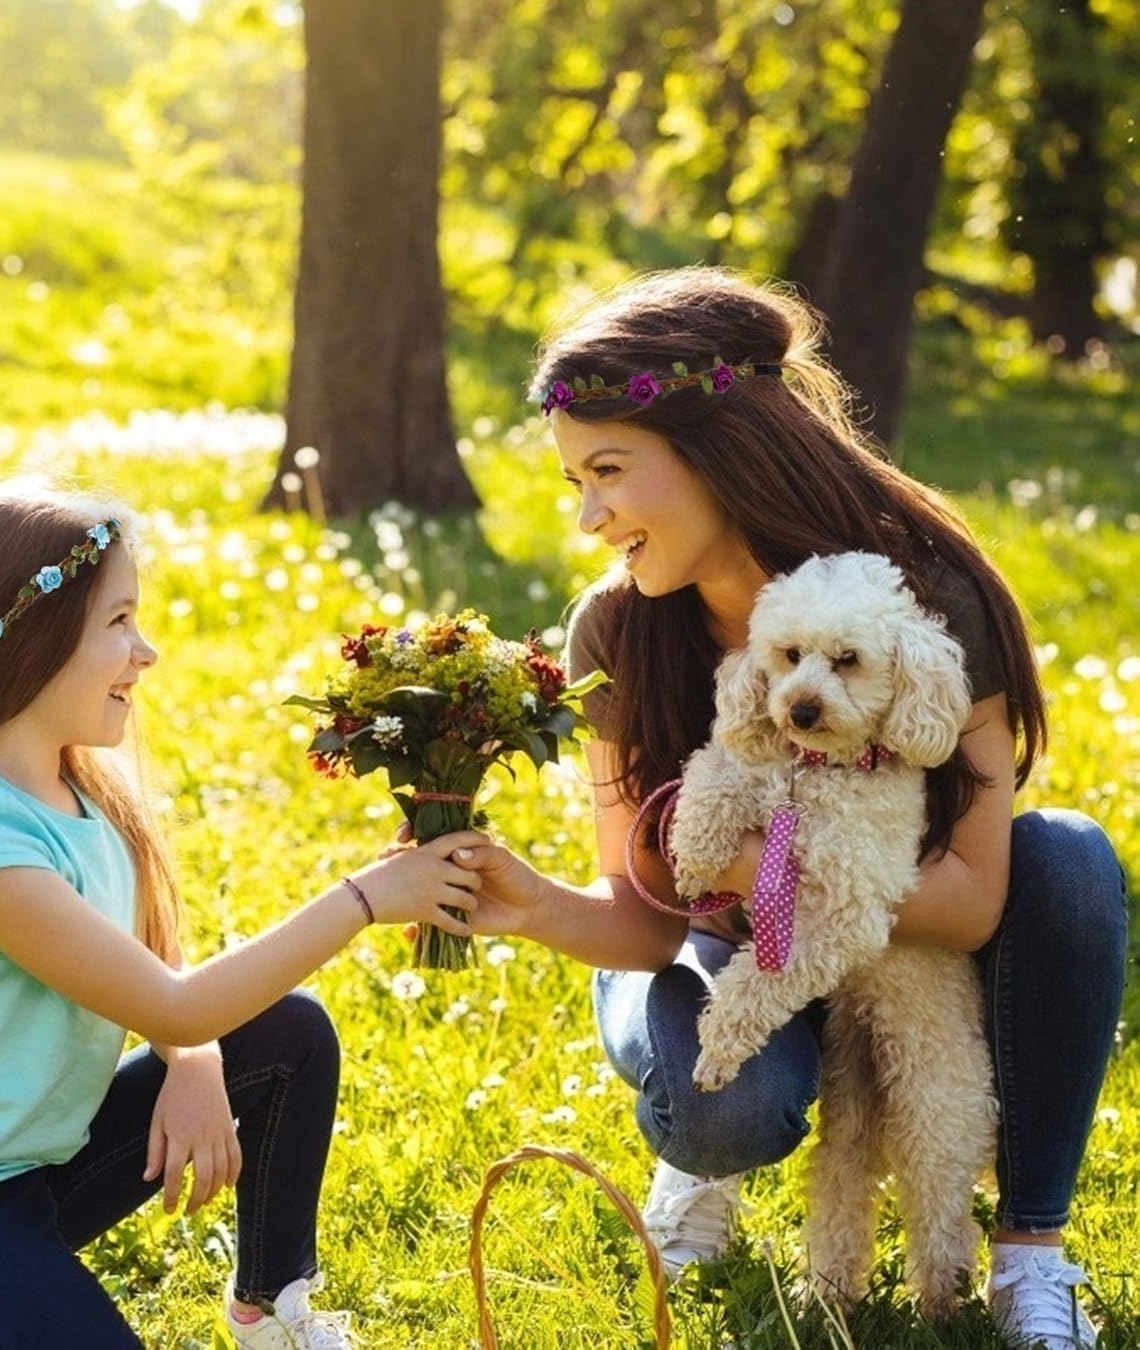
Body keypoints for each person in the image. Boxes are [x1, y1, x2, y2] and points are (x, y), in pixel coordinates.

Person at [453, 268, 1128, 1348]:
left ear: (718, 450)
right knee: (721, 1106)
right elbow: (643, 916)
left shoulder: (930, 597)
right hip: (726, 956)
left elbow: (967, 905)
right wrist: (529, 904)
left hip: (907, 940)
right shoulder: (617, 630)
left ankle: (1031, 1252)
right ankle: (696, 1168)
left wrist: (758, 865)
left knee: (1075, 867)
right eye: (576, 482)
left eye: (610, 472)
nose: (588, 518)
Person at [0, 483, 487, 1349]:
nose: (148, 651)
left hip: (44, 1169)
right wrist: (365, 899)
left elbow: (161, 969)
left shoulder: (84, 790)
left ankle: (271, 1311)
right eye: (119, 622)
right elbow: (175, 1002)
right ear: (30, 642)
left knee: (288, 1032)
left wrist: (196, 1062)